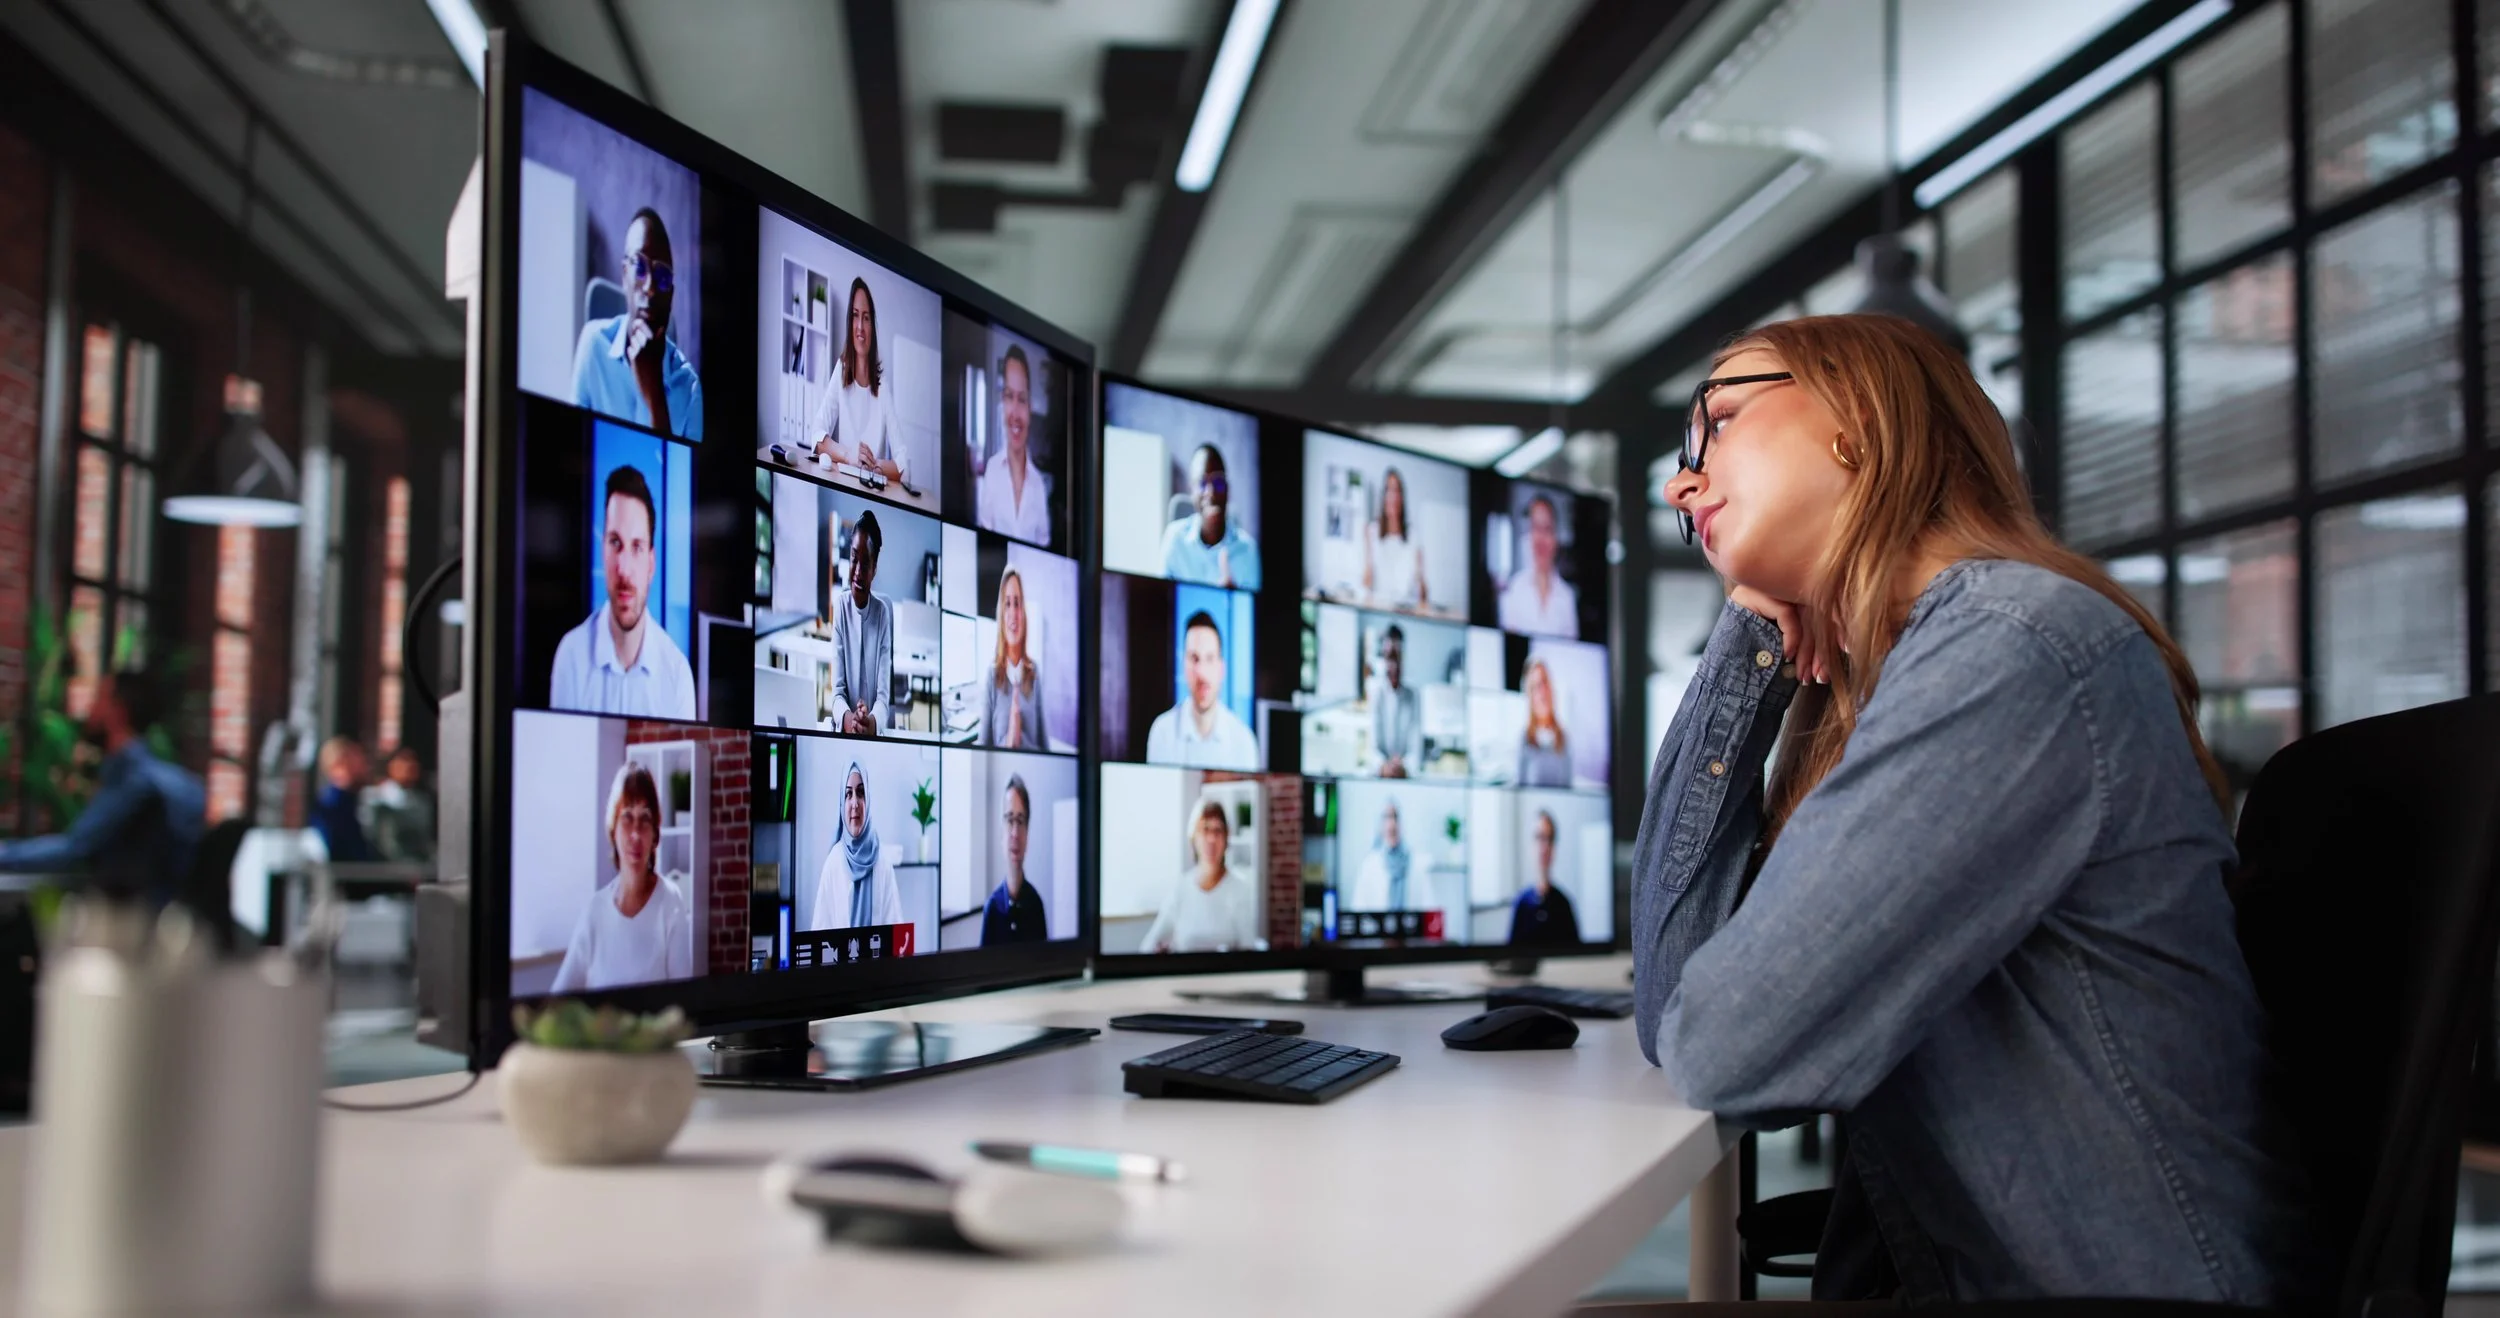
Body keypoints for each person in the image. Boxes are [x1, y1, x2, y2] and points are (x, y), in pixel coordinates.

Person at [1642, 315, 2322, 1305]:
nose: (1681, 481)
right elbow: (1676, 1011)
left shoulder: (2013, 650)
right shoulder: (1912, 676)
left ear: (1860, 417)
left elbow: (1724, 1049)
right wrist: (1748, 635)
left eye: (1720, 420)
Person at [0, 668, 203, 904]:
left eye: (99, 699)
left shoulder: (134, 780)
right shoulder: (162, 776)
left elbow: (76, 847)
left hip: (130, 919)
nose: (91, 709)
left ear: (118, 711)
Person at [549, 465, 698, 719]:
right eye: (615, 542)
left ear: (651, 563)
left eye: (637, 547)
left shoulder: (677, 673)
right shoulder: (571, 656)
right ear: (602, 550)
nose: (624, 569)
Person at [550, 763, 692, 991]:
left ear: (655, 833)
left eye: (645, 818)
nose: (636, 833)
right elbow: (558, 997)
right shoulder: (595, 911)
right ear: (613, 828)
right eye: (627, 816)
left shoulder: (670, 902)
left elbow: (683, 1002)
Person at [570, 207, 703, 440]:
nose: (650, 289)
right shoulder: (593, 345)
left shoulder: (689, 387)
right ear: (624, 276)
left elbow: (679, 474)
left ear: (671, 295)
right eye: (639, 267)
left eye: (662, 278)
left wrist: (654, 393)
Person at [812, 278, 910, 490]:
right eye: (855, 316)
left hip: (874, 489)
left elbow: (903, 463)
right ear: (849, 322)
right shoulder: (841, 370)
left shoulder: (882, 385)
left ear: (872, 326)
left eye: (866, 318)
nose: (860, 327)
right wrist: (849, 454)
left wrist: (875, 466)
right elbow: (817, 436)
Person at [1140, 798, 1262, 953]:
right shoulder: (1180, 889)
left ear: (1226, 838)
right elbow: (1148, 946)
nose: (1211, 839)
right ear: (1193, 837)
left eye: (1218, 831)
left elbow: (1248, 950)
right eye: (1205, 830)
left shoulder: (1240, 890)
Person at [1143, 611, 1259, 769]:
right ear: (1184, 665)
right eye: (1194, 658)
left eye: (1210, 658)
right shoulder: (1162, 732)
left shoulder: (1243, 741)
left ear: (1221, 668)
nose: (1201, 671)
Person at [811, 761, 904, 932]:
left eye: (860, 793)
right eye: (848, 794)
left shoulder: (881, 860)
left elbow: (895, 928)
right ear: (841, 804)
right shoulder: (834, 861)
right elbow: (819, 931)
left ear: (868, 800)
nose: (854, 803)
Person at [1158, 444, 1261, 590]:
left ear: (1227, 489)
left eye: (1218, 482)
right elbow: (1161, 601)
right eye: (1202, 483)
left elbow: (1252, 611)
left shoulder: (1248, 549)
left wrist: (1234, 598)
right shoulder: (1174, 539)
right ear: (1191, 491)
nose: (1211, 492)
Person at [976, 346, 1051, 545]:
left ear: (1030, 408)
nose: (1015, 413)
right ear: (1002, 402)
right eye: (1009, 396)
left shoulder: (1038, 485)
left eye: (1022, 399)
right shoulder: (992, 470)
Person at [828, 510, 892, 736]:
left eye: (865, 565)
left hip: (872, 734)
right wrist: (849, 720)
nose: (857, 571)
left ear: (874, 570)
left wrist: (871, 723)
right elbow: (836, 693)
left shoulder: (882, 613)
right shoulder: (841, 608)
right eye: (854, 558)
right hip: (846, 731)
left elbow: (883, 698)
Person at [1497, 493, 1579, 638]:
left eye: (1547, 529)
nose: (1541, 539)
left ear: (1556, 539)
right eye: (1535, 527)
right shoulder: (1512, 590)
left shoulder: (1567, 597)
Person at [978, 775, 1048, 944]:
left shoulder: (1036, 904)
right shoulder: (992, 908)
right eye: (1010, 820)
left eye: (1021, 821)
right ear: (1001, 831)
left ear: (1027, 831)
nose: (1015, 833)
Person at [985, 567, 1048, 750]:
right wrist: (1008, 740)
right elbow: (981, 747)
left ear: (1024, 613)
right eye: (1007, 604)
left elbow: (1045, 746)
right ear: (1001, 614)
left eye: (1017, 603)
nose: (1013, 613)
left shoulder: (1034, 672)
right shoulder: (991, 675)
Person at [1507, 810, 1580, 948]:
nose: (1544, 847)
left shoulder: (1564, 905)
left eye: (1549, 839)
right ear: (1532, 844)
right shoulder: (1521, 904)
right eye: (1539, 837)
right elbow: (1509, 954)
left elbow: (1577, 957)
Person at [1362, 465, 1427, 612]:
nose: (1393, 496)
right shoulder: (1372, 531)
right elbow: (1366, 586)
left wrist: (1421, 575)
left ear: (1402, 497)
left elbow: (1422, 595)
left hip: (1406, 610)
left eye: (1397, 490)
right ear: (1383, 496)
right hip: (1378, 609)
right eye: (1389, 490)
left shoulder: (1413, 536)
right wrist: (1367, 552)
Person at [358, 746, 437, 864]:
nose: (410, 766)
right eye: (404, 761)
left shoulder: (422, 800)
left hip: (419, 868)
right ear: (390, 765)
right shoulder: (374, 798)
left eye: (413, 761)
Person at [1346, 798, 1424, 913]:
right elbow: (1359, 907)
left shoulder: (1416, 863)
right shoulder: (1369, 864)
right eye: (1387, 817)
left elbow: (1428, 910)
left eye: (1395, 817)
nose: (1392, 824)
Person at [310, 737, 377, 864]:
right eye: (358, 758)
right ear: (340, 764)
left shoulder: (357, 801)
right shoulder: (330, 808)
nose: (366, 765)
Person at [1370, 625, 1421, 779]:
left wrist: (1405, 767)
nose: (1393, 663)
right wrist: (1382, 766)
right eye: (1389, 656)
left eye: (1397, 655)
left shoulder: (1413, 696)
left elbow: (1416, 747)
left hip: (1405, 776)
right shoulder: (1375, 693)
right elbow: (1371, 748)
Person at [1518, 658, 1571, 788]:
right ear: (1530, 695)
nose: (1542, 692)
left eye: (1544, 682)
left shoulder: (1564, 738)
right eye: (1535, 687)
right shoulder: (1524, 739)